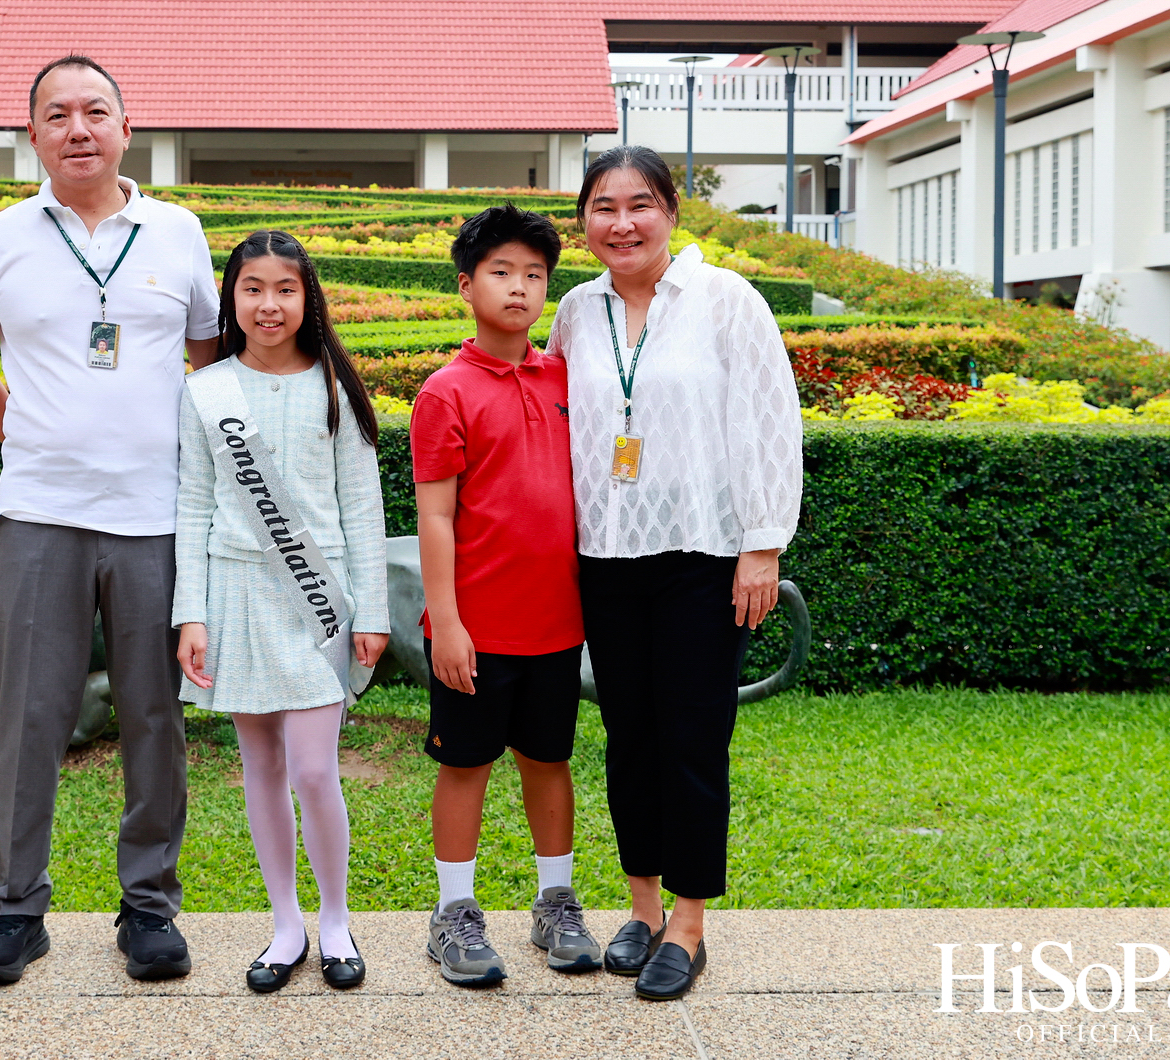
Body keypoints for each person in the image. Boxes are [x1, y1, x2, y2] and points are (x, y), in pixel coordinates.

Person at [0, 55, 221, 986]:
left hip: (153, 516)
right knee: (30, 714)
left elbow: (207, 361)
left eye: (96, 111)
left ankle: (149, 907)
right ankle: (16, 911)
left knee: (152, 713)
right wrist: (29, 432)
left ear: (126, 129)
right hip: (40, 512)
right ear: (33, 136)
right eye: (56, 114)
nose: (78, 129)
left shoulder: (178, 233)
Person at [545, 145, 802, 1003]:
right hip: (606, 554)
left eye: (640, 205)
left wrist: (761, 543)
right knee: (629, 738)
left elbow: (768, 417)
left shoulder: (726, 300)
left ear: (671, 214)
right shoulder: (576, 314)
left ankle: (689, 928)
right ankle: (643, 909)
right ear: (584, 222)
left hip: (701, 552)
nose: (622, 223)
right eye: (604, 208)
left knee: (693, 742)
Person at [173, 229, 390, 995]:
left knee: (311, 768)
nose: (270, 304)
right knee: (259, 768)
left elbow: (363, 507)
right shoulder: (207, 391)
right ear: (231, 298)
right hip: (235, 595)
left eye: (286, 290)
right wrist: (189, 615)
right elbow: (193, 506)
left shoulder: (334, 384)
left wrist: (373, 612)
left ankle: (336, 920)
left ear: (309, 298)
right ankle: (285, 924)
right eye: (253, 289)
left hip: (317, 604)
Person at [410, 205, 602, 988]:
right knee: (467, 766)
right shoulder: (446, 392)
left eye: (534, 275)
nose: (519, 288)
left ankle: (556, 902)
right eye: (500, 272)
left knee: (549, 761)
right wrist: (448, 623)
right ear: (466, 285)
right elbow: (435, 515)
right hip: (474, 631)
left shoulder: (567, 378)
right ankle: (453, 914)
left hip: (557, 626)